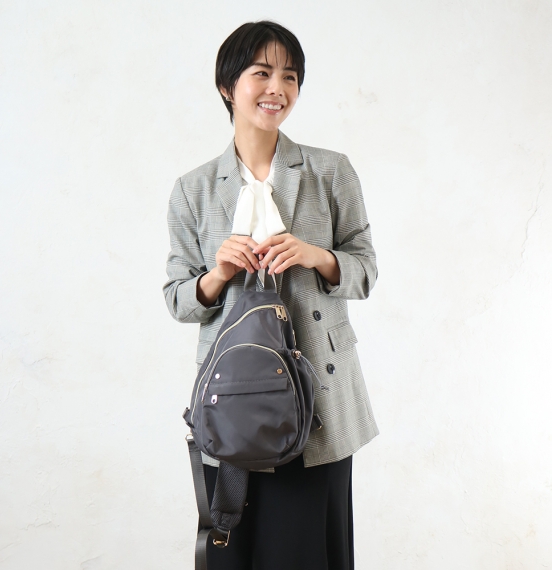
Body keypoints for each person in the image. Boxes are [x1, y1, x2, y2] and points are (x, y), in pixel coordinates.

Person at [163, 20, 379, 570]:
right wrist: (217, 274)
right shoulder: (193, 189)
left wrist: (317, 256)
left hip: (320, 401)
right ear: (227, 87)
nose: (276, 88)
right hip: (233, 400)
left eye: (290, 76)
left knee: (307, 550)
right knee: (233, 550)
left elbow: (366, 271)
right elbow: (177, 298)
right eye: (261, 73)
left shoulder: (330, 171)